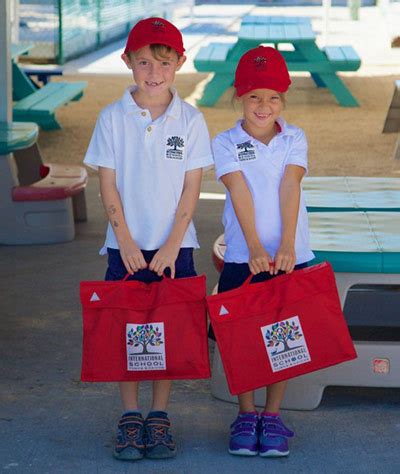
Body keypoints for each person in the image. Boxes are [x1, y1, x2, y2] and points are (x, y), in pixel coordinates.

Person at [84, 17, 213, 461]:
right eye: (143, 62)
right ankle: (129, 415)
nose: (153, 73)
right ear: (127, 62)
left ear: (179, 62)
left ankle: (159, 415)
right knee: (127, 327)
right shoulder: (112, 118)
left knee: (168, 329)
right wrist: (127, 241)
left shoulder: (191, 120)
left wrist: (174, 243)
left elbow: (192, 187)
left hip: (176, 245)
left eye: (163, 62)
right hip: (126, 246)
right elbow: (107, 184)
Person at [212, 46, 315, 458]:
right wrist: (255, 247)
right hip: (243, 256)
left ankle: (272, 417)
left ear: (284, 101)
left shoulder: (295, 137)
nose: (263, 105)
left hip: (291, 254)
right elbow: (239, 191)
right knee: (244, 339)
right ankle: (246, 414)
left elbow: (290, 186)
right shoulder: (225, 142)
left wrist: (286, 245)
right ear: (240, 96)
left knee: (284, 339)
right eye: (254, 96)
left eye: (273, 97)